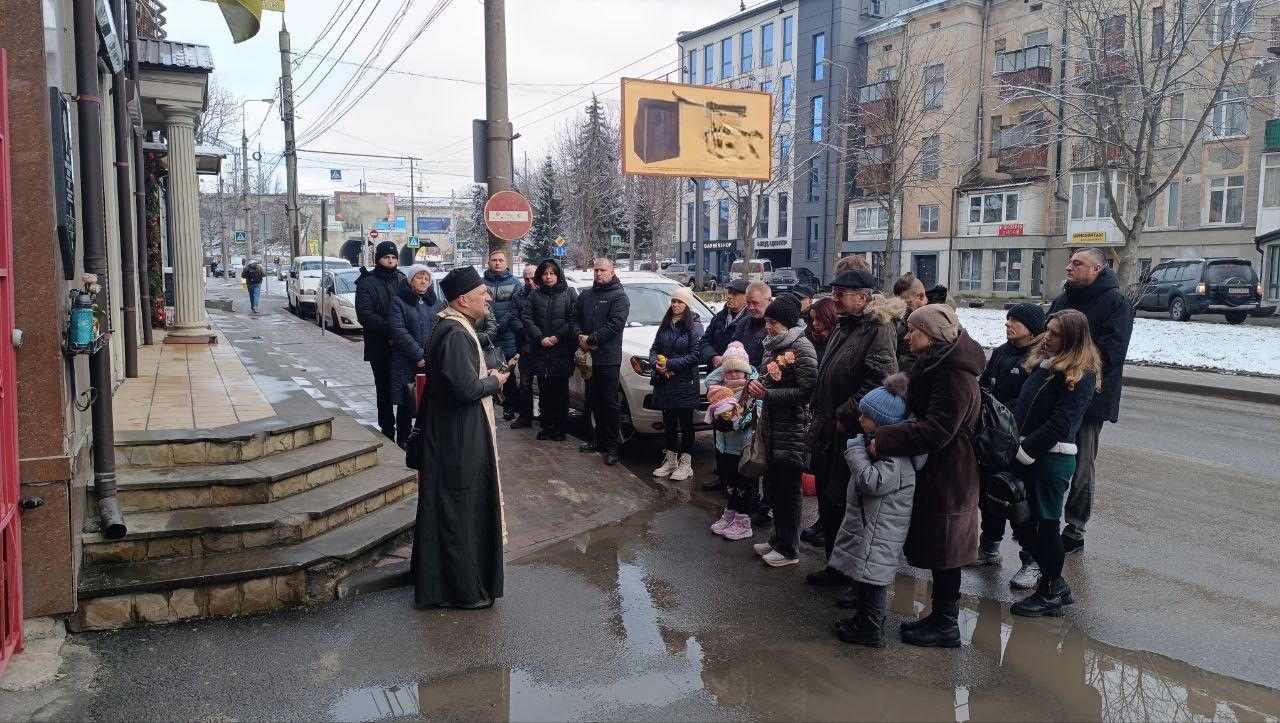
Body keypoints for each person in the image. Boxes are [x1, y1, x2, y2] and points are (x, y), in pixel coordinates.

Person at [871, 304, 984, 648]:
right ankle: (939, 617)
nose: (907, 336)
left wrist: (885, 439)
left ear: (932, 335)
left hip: (951, 473)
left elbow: (938, 430)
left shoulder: (954, 373)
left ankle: (946, 624)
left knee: (947, 549)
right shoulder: (937, 361)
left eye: (913, 331)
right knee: (940, 546)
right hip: (939, 468)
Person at [410, 266, 510, 610]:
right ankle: (462, 591)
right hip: (456, 439)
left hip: (454, 433)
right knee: (459, 510)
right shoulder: (454, 333)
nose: (488, 297)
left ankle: (449, 585)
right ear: (463, 299)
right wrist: (495, 381)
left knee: (456, 508)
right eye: (483, 293)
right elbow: (464, 388)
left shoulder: (454, 325)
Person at [804, 269, 897, 582]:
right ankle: (835, 566)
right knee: (830, 502)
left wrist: (845, 414)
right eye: (835, 291)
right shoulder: (846, 325)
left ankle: (852, 578)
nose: (835, 298)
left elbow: (880, 380)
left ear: (863, 297)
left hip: (850, 431)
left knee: (848, 506)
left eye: (841, 292)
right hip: (828, 427)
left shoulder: (877, 328)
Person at [1009, 309, 1101, 617]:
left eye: (1055, 333)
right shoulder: (1045, 365)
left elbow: (1061, 424)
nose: (1046, 336)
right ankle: (1056, 585)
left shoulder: (1081, 374)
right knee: (1024, 523)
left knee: (1045, 526)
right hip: (1031, 455)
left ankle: (1051, 588)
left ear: (1072, 338)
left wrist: (1025, 452)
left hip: (1051, 460)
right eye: (1047, 330)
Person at [1048, 248, 1134, 554]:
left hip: (1091, 396)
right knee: (1049, 456)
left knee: (1082, 463)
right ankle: (1045, 521)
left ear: (1097, 268)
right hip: (1055, 390)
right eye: (1070, 262)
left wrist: (1074, 370)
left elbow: (1112, 353)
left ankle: (1075, 528)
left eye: (1077, 263)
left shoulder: (1116, 302)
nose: (1069, 267)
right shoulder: (1064, 298)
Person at [830, 373, 923, 648]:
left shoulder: (893, 451)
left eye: (865, 417)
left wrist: (856, 452)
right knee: (868, 572)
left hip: (883, 524)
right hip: (875, 521)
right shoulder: (880, 444)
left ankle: (871, 627)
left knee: (875, 576)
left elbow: (873, 482)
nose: (860, 420)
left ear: (882, 422)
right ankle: (863, 618)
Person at [745, 294, 818, 568]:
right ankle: (777, 539)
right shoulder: (772, 346)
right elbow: (766, 380)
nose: (768, 327)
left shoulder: (802, 348)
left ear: (787, 324)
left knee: (789, 491)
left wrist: (769, 395)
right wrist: (757, 388)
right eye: (767, 322)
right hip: (773, 426)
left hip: (793, 430)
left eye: (773, 322)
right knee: (774, 487)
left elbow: (806, 391)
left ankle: (790, 548)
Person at [974, 302, 1047, 572]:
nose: (1008, 324)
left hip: (1018, 442)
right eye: (1007, 319)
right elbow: (985, 386)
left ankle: (1032, 561)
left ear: (1033, 328)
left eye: (1015, 320)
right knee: (991, 495)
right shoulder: (1002, 352)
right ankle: (989, 549)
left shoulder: (1039, 358)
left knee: (1018, 501)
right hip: (991, 439)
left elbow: (1029, 403)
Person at [704, 341, 760, 540]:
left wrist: (734, 422)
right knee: (729, 481)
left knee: (743, 483)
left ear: (746, 372)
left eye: (739, 371)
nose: (734, 375)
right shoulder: (720, 391)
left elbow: (754, 415)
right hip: (723, 445)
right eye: (729, 371)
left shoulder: (752, 389)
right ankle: (731, 512)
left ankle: (743, 520)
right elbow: (708, 380)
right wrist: (723, 369)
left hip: (742, 447)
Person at [648, 287, 705, 482]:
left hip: (684, 383)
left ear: (687, 304)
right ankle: (670, 460)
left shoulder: (694, 326)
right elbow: (654, 348)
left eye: (680, 302)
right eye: (673, 301)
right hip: (665, 383)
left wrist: (670, 364)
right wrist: (656, 362)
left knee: (686, 424)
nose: (675, 305)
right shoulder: (665, 324)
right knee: (669, 423)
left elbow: (695, 355)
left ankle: (686, 463)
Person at [577, 258, 630, 466]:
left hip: (608, 358)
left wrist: (591, 339)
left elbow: (615, 324)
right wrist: (580, 336)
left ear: (612, 271)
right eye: (596, 270)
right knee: (593, 400)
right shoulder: (587, 295)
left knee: (610, 403)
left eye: (602, 270)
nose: (598, 273)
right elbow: (574, 318)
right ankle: (598, 440)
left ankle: (612, 446)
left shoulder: (619, 296)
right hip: (589, 359)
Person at [356, 241, 408, 441]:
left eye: (394, 257)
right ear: (378, 258)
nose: (391, 260)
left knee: (405, 390)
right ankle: (387, 430)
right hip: (380, 346)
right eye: (387, 257)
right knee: (384, 391)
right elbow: (365, 315)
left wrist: (402, 334)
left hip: (402, 347)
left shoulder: (402, 280)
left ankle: (404, 433)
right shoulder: (366, 282)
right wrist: (393, 330)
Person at [521, 258, 577, 442]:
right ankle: (547, 426)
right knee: (544, 392)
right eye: (545, 274)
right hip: (541, 351)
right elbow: (527, 318)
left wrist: (557, 337)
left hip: (561, 351)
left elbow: (573, 319)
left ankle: (560, 428)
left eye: (552, 273)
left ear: (558, 275)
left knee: (560, 393)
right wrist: (540, 338)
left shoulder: (569, 294)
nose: (548, 277)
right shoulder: (534, 296)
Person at [388, 264, 445, 446]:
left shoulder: (435, 302)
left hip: (430, 362)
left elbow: (440, 328)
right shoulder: (398, 301)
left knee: (429, 403)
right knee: (406, 404)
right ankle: (403, 442)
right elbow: (398, 331)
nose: (423, 281)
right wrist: (419, 356)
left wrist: (432, 355)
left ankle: (425, 442)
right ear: (411, 280)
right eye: (419, 277)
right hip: (406, 362)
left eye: (426, 278)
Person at [484, 250, 523, 420]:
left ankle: (509, 407)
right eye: (494, 260)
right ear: (489, 263)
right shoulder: (481, 283)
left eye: (500, 260)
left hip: (507, 337)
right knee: (485, 373)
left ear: (507, 263)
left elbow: (514, 310)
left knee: (508, 374)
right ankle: (488, 407)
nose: (497, 263)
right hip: (486, 336)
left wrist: (498, 326)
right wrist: (489, 327)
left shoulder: (515, 284)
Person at [510, 264, 539, 429]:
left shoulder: (545, 293)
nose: (529, 281)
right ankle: (525, 416)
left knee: (544, 382)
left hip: (543, 346)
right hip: (525, 344)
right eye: (526, 278)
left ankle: (546, 416)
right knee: (525, 384)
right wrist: (524, 331)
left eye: (532, 278)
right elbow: (512, 317)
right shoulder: (519, 296)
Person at [702, 278, 750, 368]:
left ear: (746, 298)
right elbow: (705, 341)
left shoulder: (750, 321)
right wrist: (713, 356)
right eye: (729, 293)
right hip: (715, 371)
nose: (730, 296)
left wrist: (727, 360)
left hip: (737, 373)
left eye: (735, 294)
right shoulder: (718, 317)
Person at [891, 273, 930, 372]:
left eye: (908, 303)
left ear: (921, 297)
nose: (903, 308)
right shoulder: (901, 324)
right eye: (900, 304)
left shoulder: (943, 322)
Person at [732, 282, 772, 367]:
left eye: (755, 303)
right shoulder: (742, 324)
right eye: (748, 303)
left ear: (769, 301)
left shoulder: (777, 325)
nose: (751, 307)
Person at [805, 296, 839, 364]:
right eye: (812, 319)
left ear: (829, 317)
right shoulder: (806, 335)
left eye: (819, 319)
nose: (814, 323)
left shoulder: (839, 338)